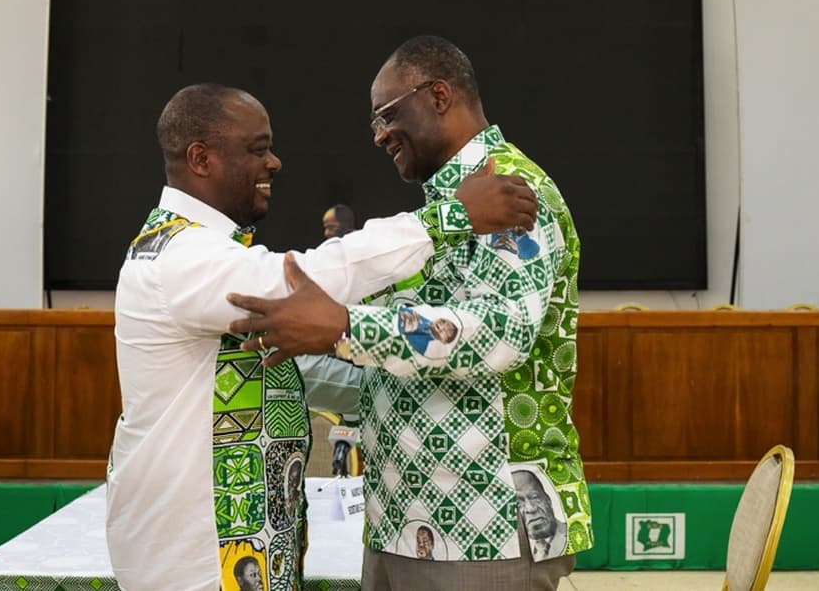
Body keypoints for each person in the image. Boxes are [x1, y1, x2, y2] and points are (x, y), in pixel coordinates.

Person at [104, 82, 538, 591]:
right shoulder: (179, 257)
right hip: (194, 554)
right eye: (258, 149)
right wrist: (448, 217)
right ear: (201, 159)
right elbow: (304, 283)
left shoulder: (195, 245)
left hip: (226, 541)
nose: (274, 163)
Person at [227, 36, 592, 591]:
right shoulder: (450, 208)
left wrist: (345, 328)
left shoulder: (513, 191)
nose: (378, 135)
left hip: (482, 524)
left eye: (388, 115)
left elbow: (503, 331)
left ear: (439, 96)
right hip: (402, 519)